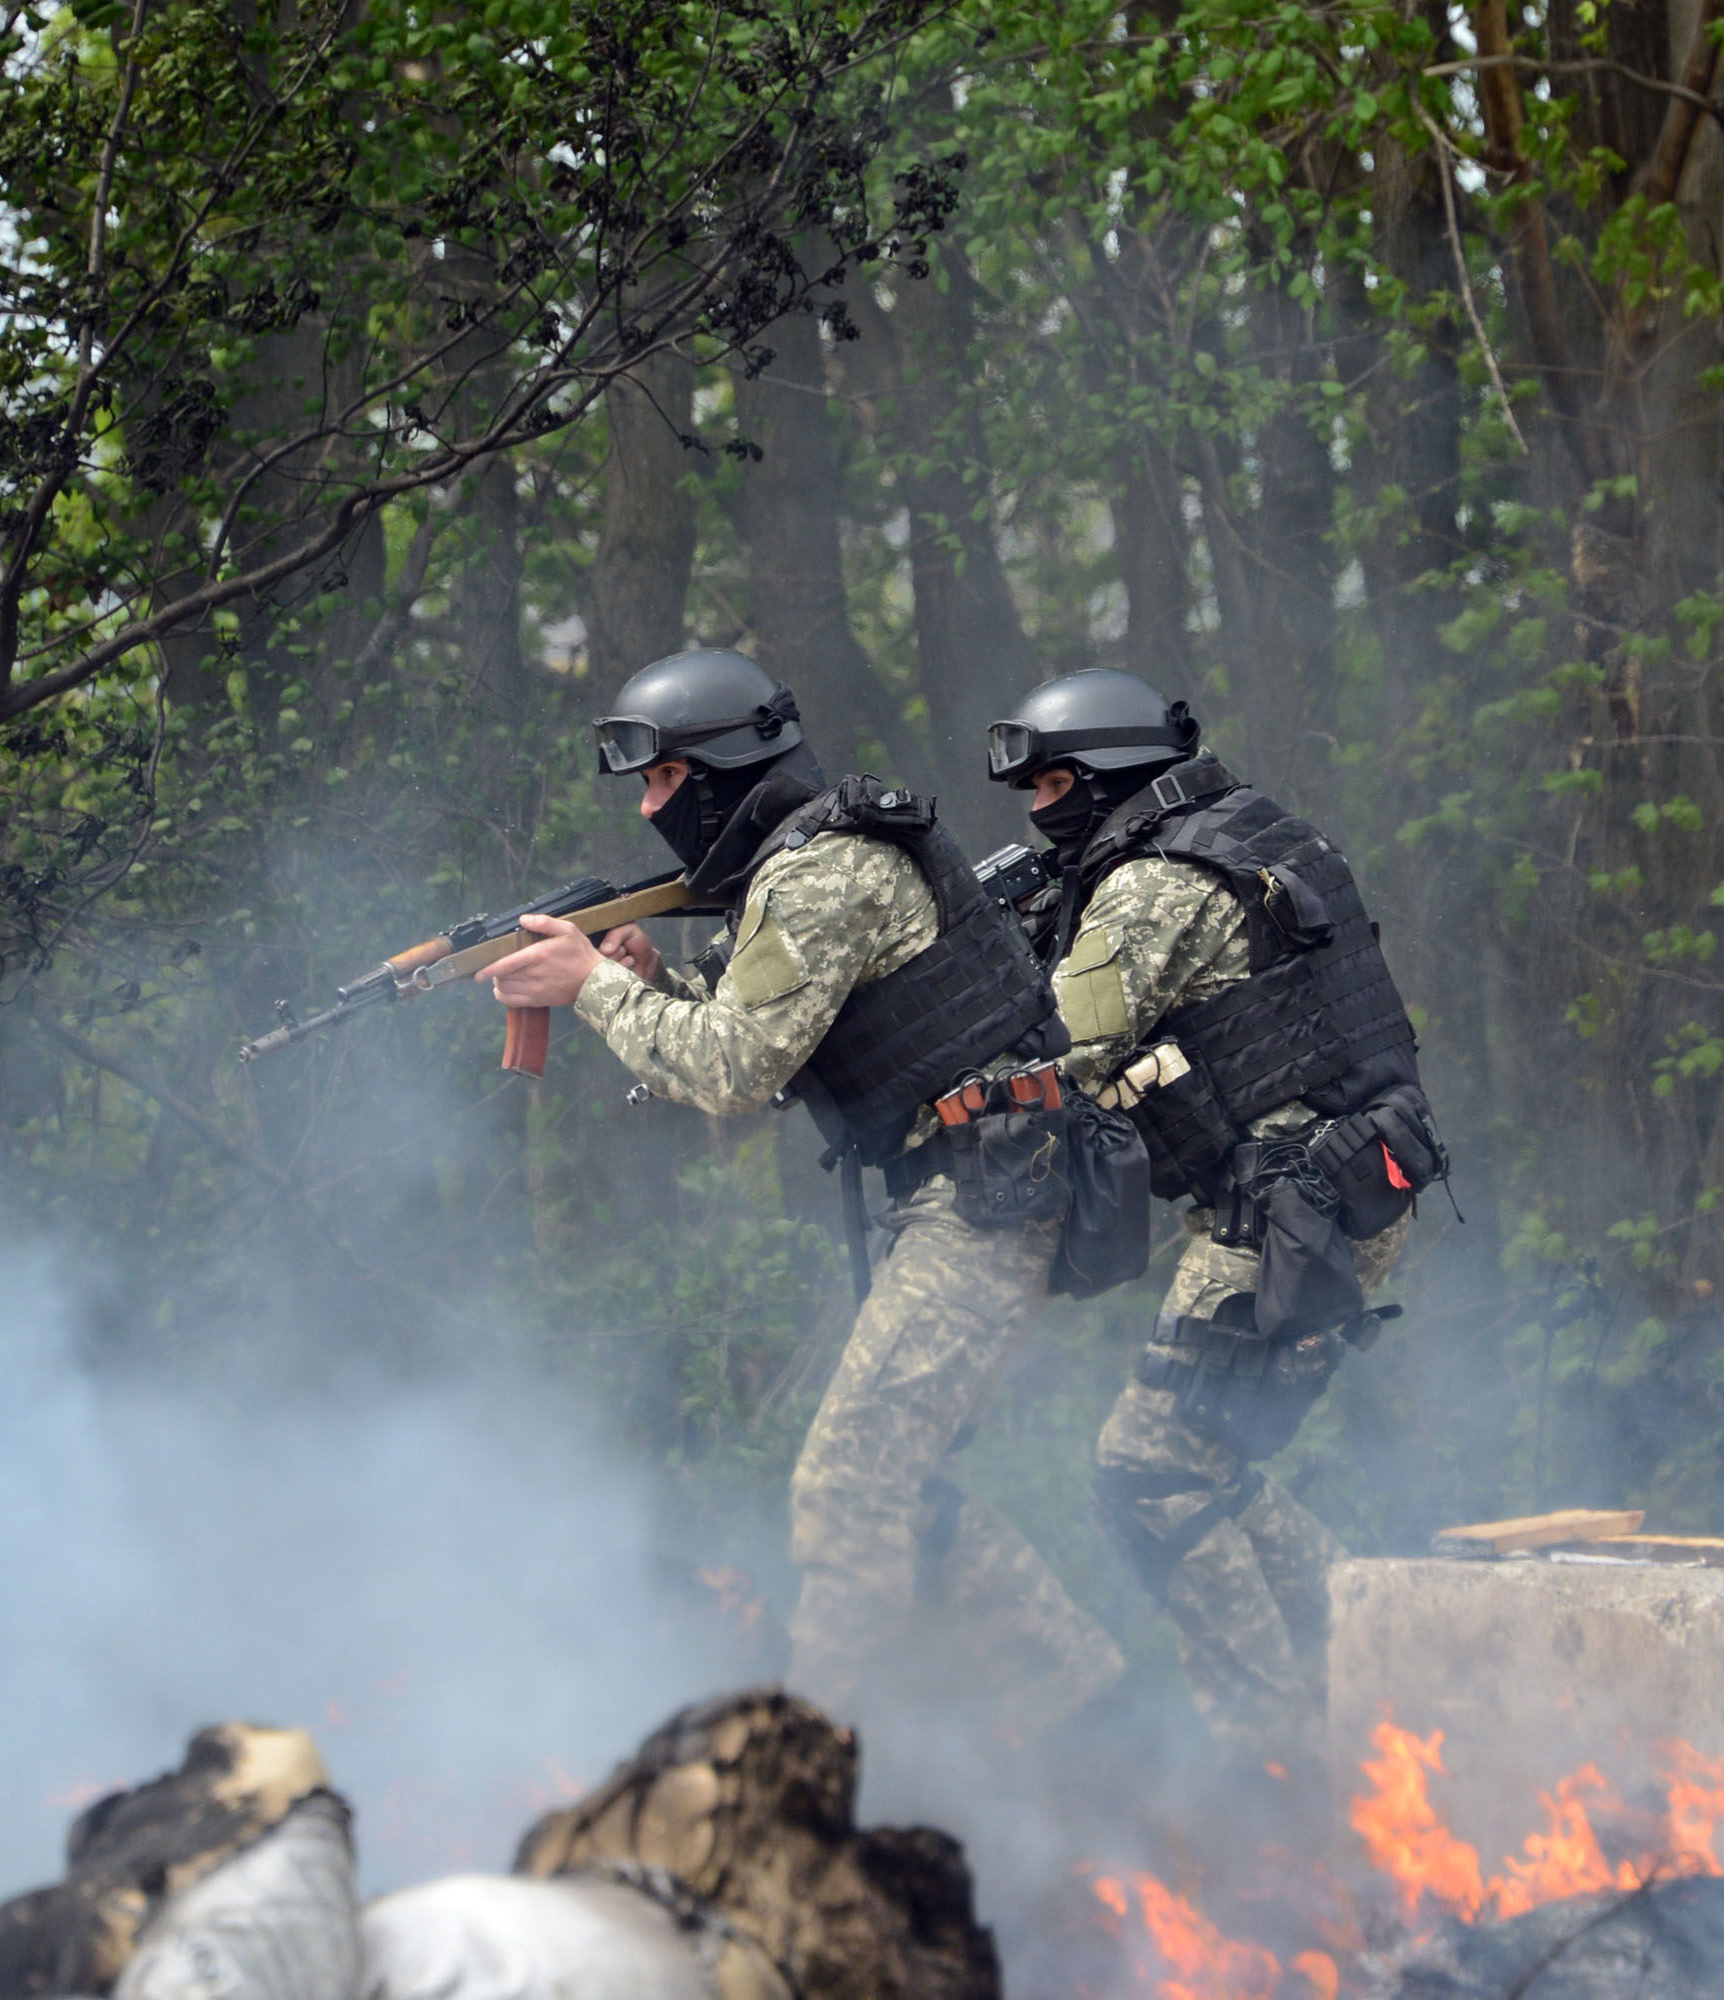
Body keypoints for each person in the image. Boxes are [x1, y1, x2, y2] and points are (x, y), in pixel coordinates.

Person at [481, 646, 1123, 1732]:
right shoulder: (805, 860)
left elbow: (735, 1071)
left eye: (661, 780)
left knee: (850, 1488)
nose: (646, 809)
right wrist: (643, 984)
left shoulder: (821, 869)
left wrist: (589, 985)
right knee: (895, 1485)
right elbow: (766, 1037)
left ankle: (799, 1769)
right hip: (980, 1183)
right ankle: (1080, 1699)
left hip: (990, 1191)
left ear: (724, 767)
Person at [985, 669, 1446, 1760]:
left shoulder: (1152, 885)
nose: (1040, 805)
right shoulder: (1256, 832)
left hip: (1288, 1212)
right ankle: (1379, 1664)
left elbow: (1058, 1049)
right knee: (1204, 1458)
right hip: (1340, 1188)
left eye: (1055, 778)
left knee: (1149, 1467)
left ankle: (1269, 1758)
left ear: (1108, 775)